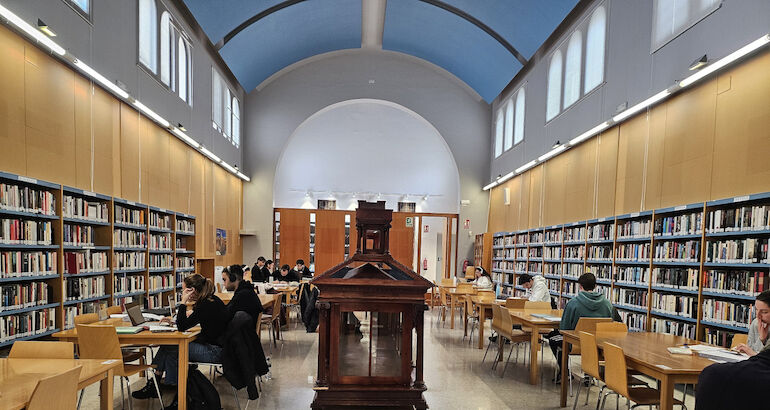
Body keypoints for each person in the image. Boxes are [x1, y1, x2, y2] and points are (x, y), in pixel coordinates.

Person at [133, 274, 227, 408]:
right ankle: (162, 386)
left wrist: (183, 302)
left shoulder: (205, 304)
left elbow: (183, 326)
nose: (183, 293)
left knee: (173, 348)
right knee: (170, 347)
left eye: (184, 290)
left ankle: (172, 391)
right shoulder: (210, 300)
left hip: (214, 352)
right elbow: (189, 322)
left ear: (192, 290)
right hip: (217, 347)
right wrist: (174, 321)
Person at [548, 272, 615, 382]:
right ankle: (589, 374)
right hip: (598, 345)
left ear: (580, 286)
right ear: (595, 286)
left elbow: (564, 328)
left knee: (553, 339)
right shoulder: (607, 304)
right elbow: (611, 325)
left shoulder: (573, 303)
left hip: (575, 344)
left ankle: (564, 372)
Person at [735, 290, 770, 356]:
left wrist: (762, 339)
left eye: (764, 312)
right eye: (756, 309)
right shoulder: (755, 323)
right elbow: (750, 352)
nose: (758, 316)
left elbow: (763, 359)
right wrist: (761, 339)